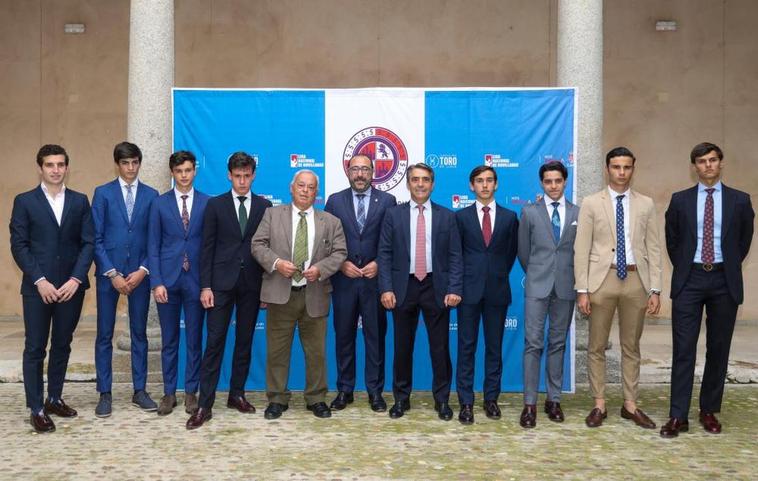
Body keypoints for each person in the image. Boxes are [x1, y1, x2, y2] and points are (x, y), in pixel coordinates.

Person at [660, 142, 754, 437]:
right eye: (701, 161)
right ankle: (678, 416)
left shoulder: (740, 201)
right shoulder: (680, 200)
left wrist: (725, 266)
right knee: (683, 349)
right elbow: (672, 240)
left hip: (724, 281)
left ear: (721, 163)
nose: (708, 165)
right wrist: (689, 267)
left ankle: (709, 410)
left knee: (718, 348)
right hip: (690, 280)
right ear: (694, 167)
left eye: (713, 160)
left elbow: (743, 240)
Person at [574, 146, 662, 429]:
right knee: (596, 345)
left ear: (633, 169)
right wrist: (582, 289)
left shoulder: (646, 204)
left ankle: (630, 404)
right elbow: (581, 247)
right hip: (602, 280)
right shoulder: (591, 203)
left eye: (626, 167)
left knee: (631, 346)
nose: (621, 172)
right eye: (616, 167)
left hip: (636, 281)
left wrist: (656, 289)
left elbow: (653, 248)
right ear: (607, 168)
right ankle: (599, 403)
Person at [10, 144, 94, 433]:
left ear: (67, 167)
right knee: (35, 348)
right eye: (50, 165)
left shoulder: (80, 201)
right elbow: (18, 245)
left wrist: (75, 279)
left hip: (72, 287)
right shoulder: (25, 201)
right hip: (37, 289)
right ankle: (36, 407)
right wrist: (40, 280)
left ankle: (54, 397)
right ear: (40, 168)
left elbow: (88, 243)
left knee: (62, 343)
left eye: (60, 164)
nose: (56, 170)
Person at [252, 170, 347, 419]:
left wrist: (321, 269)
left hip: (314, 294)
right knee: (277, 352)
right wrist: (276, 264)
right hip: (280, 293)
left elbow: (339, 253)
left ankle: (316, 398)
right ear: (291, 188)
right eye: (301, 185)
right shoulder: (272, 215)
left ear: (317, 193)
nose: (305, 190)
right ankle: (277, 399)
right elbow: (257, 244)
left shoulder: (331, 221)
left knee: (316, 352)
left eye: (311, 187)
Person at [186, 152, 271, 429]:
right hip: (220, 285)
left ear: (254, 175)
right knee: (214, 343)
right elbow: (206, 248)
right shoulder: (215, 205)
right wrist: (206, 286)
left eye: (247, 175)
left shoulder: (264, 206)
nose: (243, 181)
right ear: (229, 176)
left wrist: (266, 290)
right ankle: (204, 405)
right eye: (238, 176)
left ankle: (237, 394)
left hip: (252, 286)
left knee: (244, 342)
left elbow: (268, 251)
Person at [378, 163, 463, 420]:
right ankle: (401, 400)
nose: (420, 184)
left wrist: (454, 288)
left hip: (436, 287)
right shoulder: (393, 215)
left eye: (425, 179)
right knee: (402, 347)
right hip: (404, 287)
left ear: (433, 184)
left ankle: (442, 401)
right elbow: (384, 254)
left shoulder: (447, 216)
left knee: (440, 348)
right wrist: (386, 288)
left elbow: (455, 256)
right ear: (408, 183)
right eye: (415, 179)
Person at [324, 154, 396, 412]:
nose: (360, 174)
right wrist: (340, 264)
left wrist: (378, 262)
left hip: (375, 281)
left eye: (365, 169)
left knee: (375, 338)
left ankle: (375, 392)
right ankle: (345, 390)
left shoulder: (388, 201)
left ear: (373, 172)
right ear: (348, 172)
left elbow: (392, 238)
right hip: (344, 280)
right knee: (343, 336)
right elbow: (326, 241)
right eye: (355, 169)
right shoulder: (334, 201)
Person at [92, 141, 159, 417]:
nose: (130, 168)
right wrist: (112, 273)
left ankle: (139, 390)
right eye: (125, 163)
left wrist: (143, 270)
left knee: (139, 333)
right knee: (104, 334)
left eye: (134, 163)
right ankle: (105, 393)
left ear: (139, 164)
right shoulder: (103, 194)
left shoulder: (152, 195)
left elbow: (155, 239)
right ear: (117, 164)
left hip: (140, 276)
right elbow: (95, 239)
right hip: (110, 275)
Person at [454, 165, 518, 425]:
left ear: (496, 184)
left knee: (494, 347)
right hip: (468, 292)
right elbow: (456, 255)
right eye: (479, 181)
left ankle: (491, 398)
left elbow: (511, 252)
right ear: (471, 186)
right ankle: (466, 402)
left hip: (497, 291)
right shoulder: (460, 218)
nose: (484, 185)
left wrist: (497, 274)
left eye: (489, 180)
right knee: (466, 347)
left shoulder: (510, 217)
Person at [147, 151, 209, 416]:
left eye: (188, 170)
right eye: (179, 171)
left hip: (196, 280)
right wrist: (156, 282)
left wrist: (207, 284)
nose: (184, 175)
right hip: (168, 282)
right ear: (172, 172)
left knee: (194, 340)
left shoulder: (208, 203)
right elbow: (152, 245)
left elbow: (210, 247)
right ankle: (169, 392)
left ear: (194, 171)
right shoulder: (159, 204)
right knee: (170, 340)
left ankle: (191, 393)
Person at [517, 161, 578, 428]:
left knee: (558, 344)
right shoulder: (529, 212)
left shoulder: (579, 212)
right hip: (537, 287)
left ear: (565, 181)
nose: (553, 186)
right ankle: (529, 403)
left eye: (558, 181)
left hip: (566, 287)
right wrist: (537, 274)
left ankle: (553, 400)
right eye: (548, 181)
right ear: (542, 183)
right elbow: (523, 252)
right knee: (533, 344)